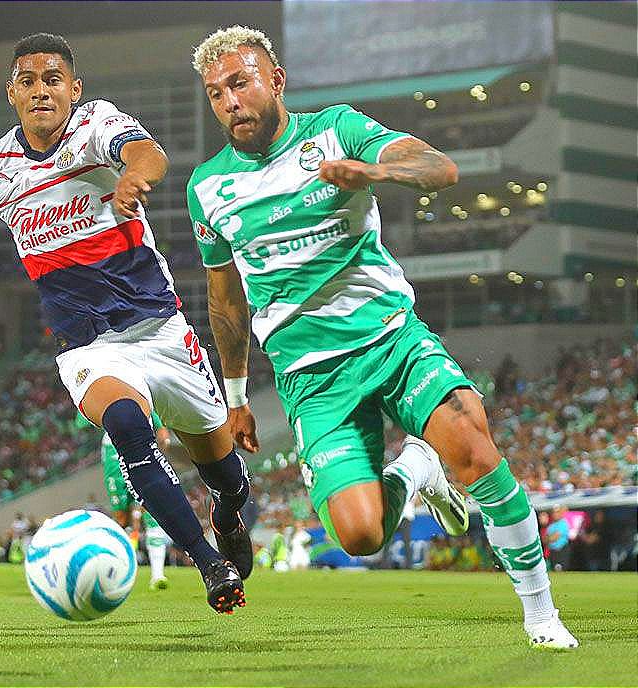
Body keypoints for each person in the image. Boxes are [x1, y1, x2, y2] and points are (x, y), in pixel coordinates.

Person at [188, 26, 577, 647]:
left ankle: (541, 616)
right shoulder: (208, 187)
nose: (230, 101)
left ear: (276, 81)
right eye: (216, 93)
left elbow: (439, 167)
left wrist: (372, 170)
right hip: (311, 378)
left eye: (241, 82)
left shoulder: (336, 129)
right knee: (361, 536)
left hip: (390, 340)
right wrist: (235, 396)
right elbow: (225, 301)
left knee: (474, 448)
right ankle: (416, 467)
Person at [0, 33, 252, 613]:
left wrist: (134, 176)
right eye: (29, 81)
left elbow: (148, 153)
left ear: (74, 89)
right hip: (88, 346)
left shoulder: (95, 126)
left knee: (225, 473)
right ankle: (209, 564)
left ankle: (230, 512)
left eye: (53, 79)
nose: (42, 91)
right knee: (129, 428)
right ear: (12, 93)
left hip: (159, 329)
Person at [102, 411, 172, 590]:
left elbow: (161, 430)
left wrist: (161, 434)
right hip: (113, 452)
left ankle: (157, 575)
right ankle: (117, 568)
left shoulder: (145, 396)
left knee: (152, 511)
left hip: (142, 448)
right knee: (121, 518)